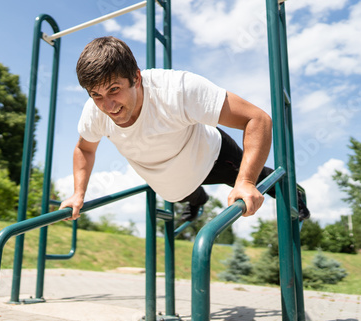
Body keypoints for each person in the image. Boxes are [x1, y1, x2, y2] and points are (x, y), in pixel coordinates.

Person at [59, 36, 309, 223]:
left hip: (209, 158)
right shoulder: (94, 112)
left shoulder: (178, 89)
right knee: (180, 193)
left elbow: (258, 119)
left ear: (136, 77)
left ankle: (294, 193)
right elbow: (85, 149)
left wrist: (245, 181)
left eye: (114, 89)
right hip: (171, 183)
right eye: (97, 95)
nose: (108, 106)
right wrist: (77, 194)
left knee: (255, 179)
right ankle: (198, 199)